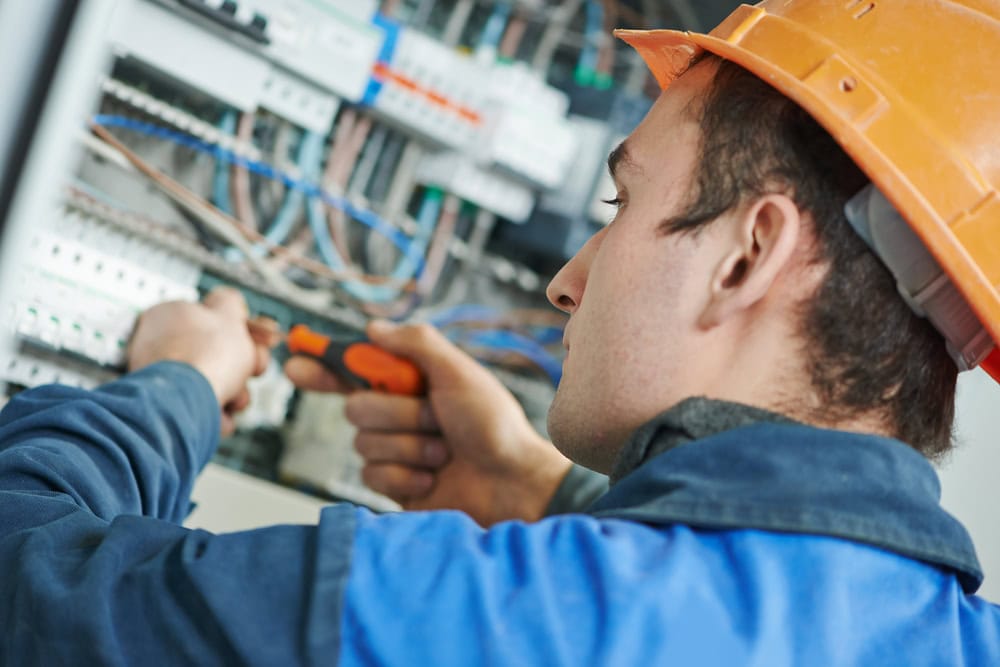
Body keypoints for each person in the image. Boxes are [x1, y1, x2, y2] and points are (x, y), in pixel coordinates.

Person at [2, 0, 999, 663]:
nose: (566, 286)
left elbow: (24, 587)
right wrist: (548, 497)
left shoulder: (472, 614)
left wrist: (172, 389)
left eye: (621, 205)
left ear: (747, 255)